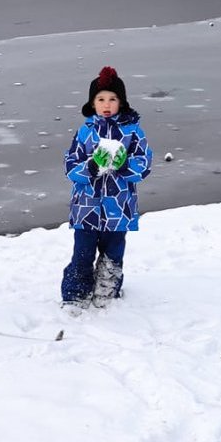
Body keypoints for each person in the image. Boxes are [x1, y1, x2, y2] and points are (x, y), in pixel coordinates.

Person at [61, 66, 152, 309]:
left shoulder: (133, 133)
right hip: (86, 208)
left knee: (113, 254)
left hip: (119, 208)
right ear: (92, 104)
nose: (107, 104)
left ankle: (106, 291)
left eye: (113, 99)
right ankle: (75, 295)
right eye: (101, 99)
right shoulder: (85, 132)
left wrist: (123, 165)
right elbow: (70, 167)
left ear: (121, 102)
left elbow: (143, 167)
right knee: (82, 254)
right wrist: (91, 167)